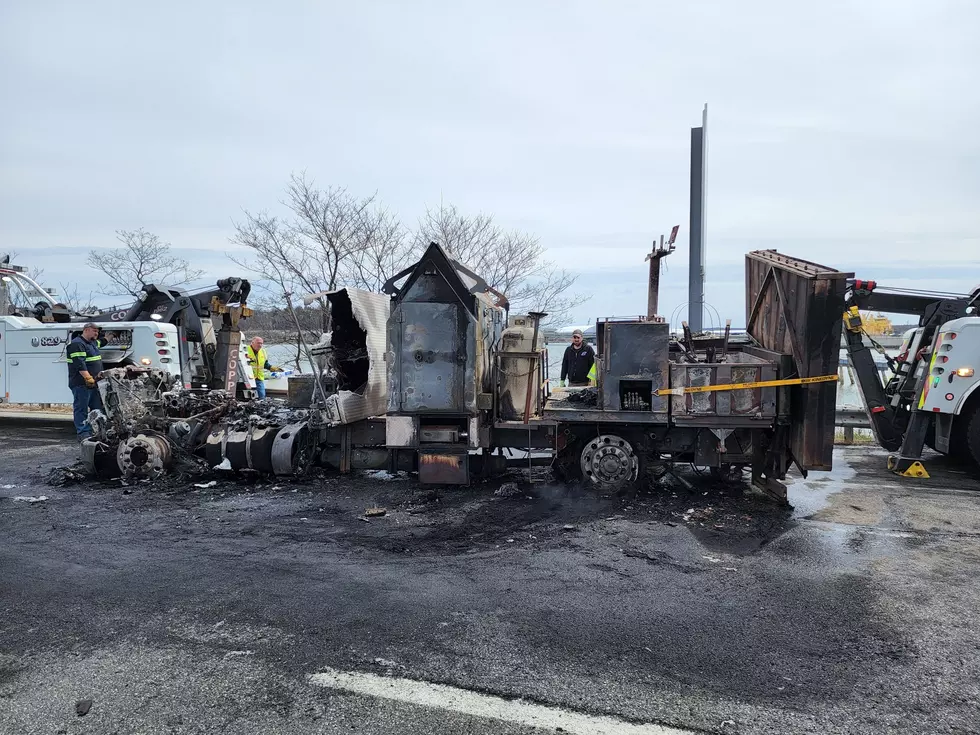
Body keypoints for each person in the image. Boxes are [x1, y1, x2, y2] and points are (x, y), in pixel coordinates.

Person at [66, 322, 104, 440]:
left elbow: (103, 342)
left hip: (94, 384)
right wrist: (88, 378)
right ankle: (83, 433)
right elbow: (79, 364)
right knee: (81, 408)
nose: (97, 333)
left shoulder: (92, 343)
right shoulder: (77, 344)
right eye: (95, 331)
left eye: (97, 331)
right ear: (86, 330)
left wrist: (112, 335)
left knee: (97, 408)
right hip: (81, 384)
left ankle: (98, 431)